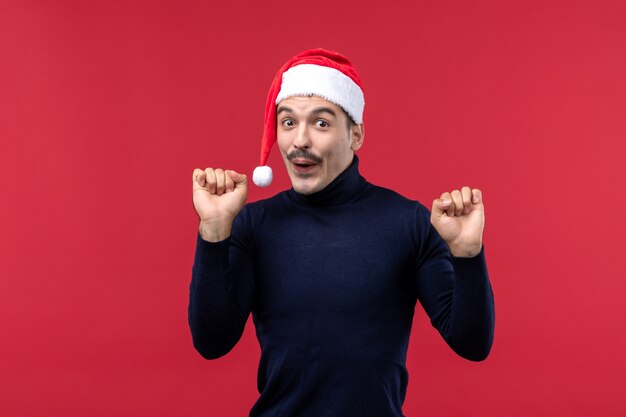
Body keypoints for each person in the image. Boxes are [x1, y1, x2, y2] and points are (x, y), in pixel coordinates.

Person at [188, 48, 495, 417]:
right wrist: (214, 231)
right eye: (287, 123)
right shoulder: (254, 225)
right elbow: (211, 341)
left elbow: (472, 343)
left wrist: (467, 254)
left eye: (321, 123)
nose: (300, 140)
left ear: (356, 135)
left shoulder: (409, 223)